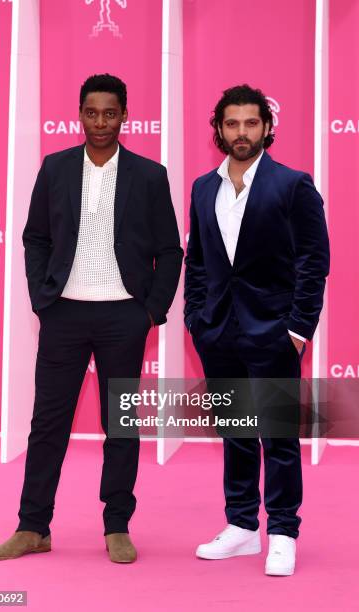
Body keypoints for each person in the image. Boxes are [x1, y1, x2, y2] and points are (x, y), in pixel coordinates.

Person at [0, 73, 183, 564]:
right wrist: (41, 297)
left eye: (110, 113)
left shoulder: (149, 175)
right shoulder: (54, 169)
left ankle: (117, 525)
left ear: (124, 116)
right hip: (64, 315)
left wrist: (150, 312)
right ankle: (33, 527)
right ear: (80, 115)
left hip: (124, 316)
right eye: (91, 112)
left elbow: (170, 250)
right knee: (47, 424)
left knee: (120, 424)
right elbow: (35, 238)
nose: (100, 122)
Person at [184, 84, 329, 576]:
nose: (241, 132)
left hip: (274, 330)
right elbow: (198, 262)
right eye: (231, 124)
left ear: (267, 127)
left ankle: (283, 531)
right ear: (219, 130)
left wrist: (298, 329)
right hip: (218, 330)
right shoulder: (204, 188)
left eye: (250, 123)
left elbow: (314, 262)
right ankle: (243, 527)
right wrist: (195, 318)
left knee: (278, 436)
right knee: (236, 432)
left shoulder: (293, 185)